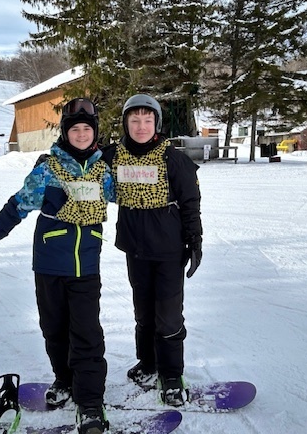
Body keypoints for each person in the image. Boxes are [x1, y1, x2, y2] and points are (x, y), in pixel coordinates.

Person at [0, 98, 115, 434]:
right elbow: (18, 204)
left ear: (94, 133)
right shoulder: (47, 170)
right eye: (75, 129)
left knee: (87, 336)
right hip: (50, 267)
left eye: (87, 129)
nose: (81, 134)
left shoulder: (104, 172)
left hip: (86, 269)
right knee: (54, 330)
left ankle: (91, 404)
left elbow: (133, 192)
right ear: (66, 133)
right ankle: (64, 381)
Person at [101, 93, 202, 407]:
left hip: (170, 249)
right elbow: (80, 162)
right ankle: (148, 363)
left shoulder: (173, 158)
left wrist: (195, 241)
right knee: (143, 313)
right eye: (135, 120)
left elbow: (190, 203)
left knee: (168, 316)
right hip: (136, 249)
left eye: (147, 120)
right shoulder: (113, 156)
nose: (141, 126)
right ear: (126, 123)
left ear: (156, 122)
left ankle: (171, 374)